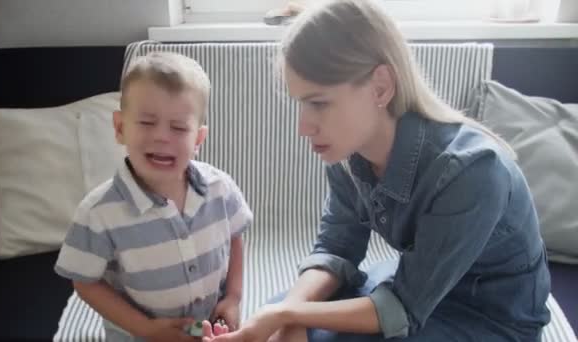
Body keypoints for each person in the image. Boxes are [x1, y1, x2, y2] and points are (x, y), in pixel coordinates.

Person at [201, 0, 551, 341]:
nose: (303, 127)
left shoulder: (471, 171)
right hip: (419, 284)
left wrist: (289, 315)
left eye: (318, 103)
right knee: (278, 316)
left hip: (488, 318)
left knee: (288, 319)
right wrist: (287, 313)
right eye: (300, 103)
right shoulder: (349, 155)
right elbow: (337, 248)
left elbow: (403, 309)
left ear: (380, 86)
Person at [54, 52, 253, 341]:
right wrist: (143, 328)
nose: (161, 137)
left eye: (178, 127)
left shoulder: (219, 188)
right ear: (120, 128)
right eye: (147, 123)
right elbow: (85, 281)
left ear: (198, 139)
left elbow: (235, 236)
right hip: (140, 334)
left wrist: (233, 298)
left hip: (210, 327)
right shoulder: (98, 212)